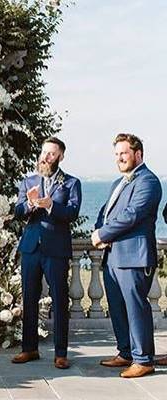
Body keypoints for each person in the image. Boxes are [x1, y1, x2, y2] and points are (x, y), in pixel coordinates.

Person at [93, 134, 161, 378]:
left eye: (123, 153)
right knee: (117, 307)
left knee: (135, 308)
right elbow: (105, 212)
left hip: (134, 256)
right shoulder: (117, 183)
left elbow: (133, 215)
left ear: (138, 154)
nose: (119, 158)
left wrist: (103, 233)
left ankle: (143, 360)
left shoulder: (149, 181)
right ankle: (126, 353)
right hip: (113, 256)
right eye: (116, 154)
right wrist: (99, 231)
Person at [12, 136, 81, 369]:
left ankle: (61, 353)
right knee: (29, 298)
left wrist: (50, 205)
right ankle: (29, 349)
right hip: (31, 248)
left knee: (60, 301)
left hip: (56, 249)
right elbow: (18, 211)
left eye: (51, 153)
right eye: (43, 152)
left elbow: (72, 213)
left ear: (60, 156)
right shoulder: (29, 180)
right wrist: (30, 205)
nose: (45, 157)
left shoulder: (71, 183)